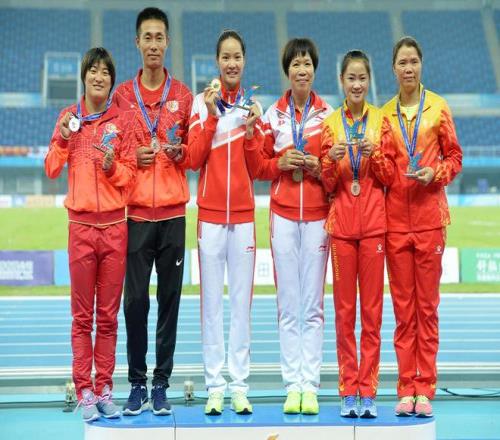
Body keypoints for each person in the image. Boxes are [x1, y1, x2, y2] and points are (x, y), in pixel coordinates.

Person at [45, 47, 137, 422]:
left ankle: (105, 389)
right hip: (81, 228)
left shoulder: (123, 121)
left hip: (115, 229)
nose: (99, 77)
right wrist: (63, 138)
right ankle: (84, 390)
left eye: (105, 72)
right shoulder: (69, 119)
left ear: (112, 80)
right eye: (93, 71)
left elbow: (130, 179)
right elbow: (51, 168)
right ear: (84, 76)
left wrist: (113, 168)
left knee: (109, 318)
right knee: (82, 318)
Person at [244, 38, 332, 415]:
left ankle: (309, 385)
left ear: (314, 69)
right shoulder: (273, 116)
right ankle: (291, 384)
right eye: (296, 64)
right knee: (288, 305)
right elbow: (257, 166)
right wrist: (279, 163)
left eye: (307, 63)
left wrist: (318, 167)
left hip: (318, 217)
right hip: (282, 215)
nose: (302, 70)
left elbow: (336, 171)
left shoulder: (329, 115)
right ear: (287, 71)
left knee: (312, 305)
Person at [113, 7, 193, 416]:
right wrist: (133, 158)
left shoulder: (183, 95)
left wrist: (182, 152)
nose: (154, 44)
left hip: (174, 214)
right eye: (148, 37)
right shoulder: (122, 97)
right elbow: (112, 152)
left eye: (160, 37)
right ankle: (135, 383)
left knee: (169, 301)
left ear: (168, 42)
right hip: (137, 215)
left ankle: (161, 383)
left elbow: (194, 152)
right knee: (135, 303)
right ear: (137, 42)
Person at [382, 36, 462, 417]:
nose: (408, 68)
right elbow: (383, 168)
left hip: (430, 221)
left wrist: (436, 173)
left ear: (421, 65)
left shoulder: (438, 107)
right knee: (403, 311)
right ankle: (405, 387)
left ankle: (425, 387)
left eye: (413, 61)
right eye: (402, 62)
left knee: (426, 309)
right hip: (395, 222)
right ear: (394, 69)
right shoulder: (384, 115)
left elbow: (455, 157)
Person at [320, 50, 395, 418]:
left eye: (362, 78)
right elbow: (326, 183)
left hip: (374, 227)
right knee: (344, 313)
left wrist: (376, 154)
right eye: (351, 78)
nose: (356, 84)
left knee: (372, 313)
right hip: (342, 229)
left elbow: (390, 176)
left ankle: (369, 391)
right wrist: (331, 161)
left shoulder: (381, 122)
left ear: (369, 80)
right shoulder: (330, 124)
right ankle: (348, 389)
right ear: (341, 81)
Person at [186, 30, 257, 416]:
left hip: (243, 218)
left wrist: (255, 131)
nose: (232, 63)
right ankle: (215, 386)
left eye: (237, 57)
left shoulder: (251, 106)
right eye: (225, 57)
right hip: (211, 218)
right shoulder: (200, 103)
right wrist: (212, 117)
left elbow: (259, 166)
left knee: (241, 307)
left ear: (244, 61)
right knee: (211, 306)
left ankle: (239, 387)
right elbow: (193, 158)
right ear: (217, 61)